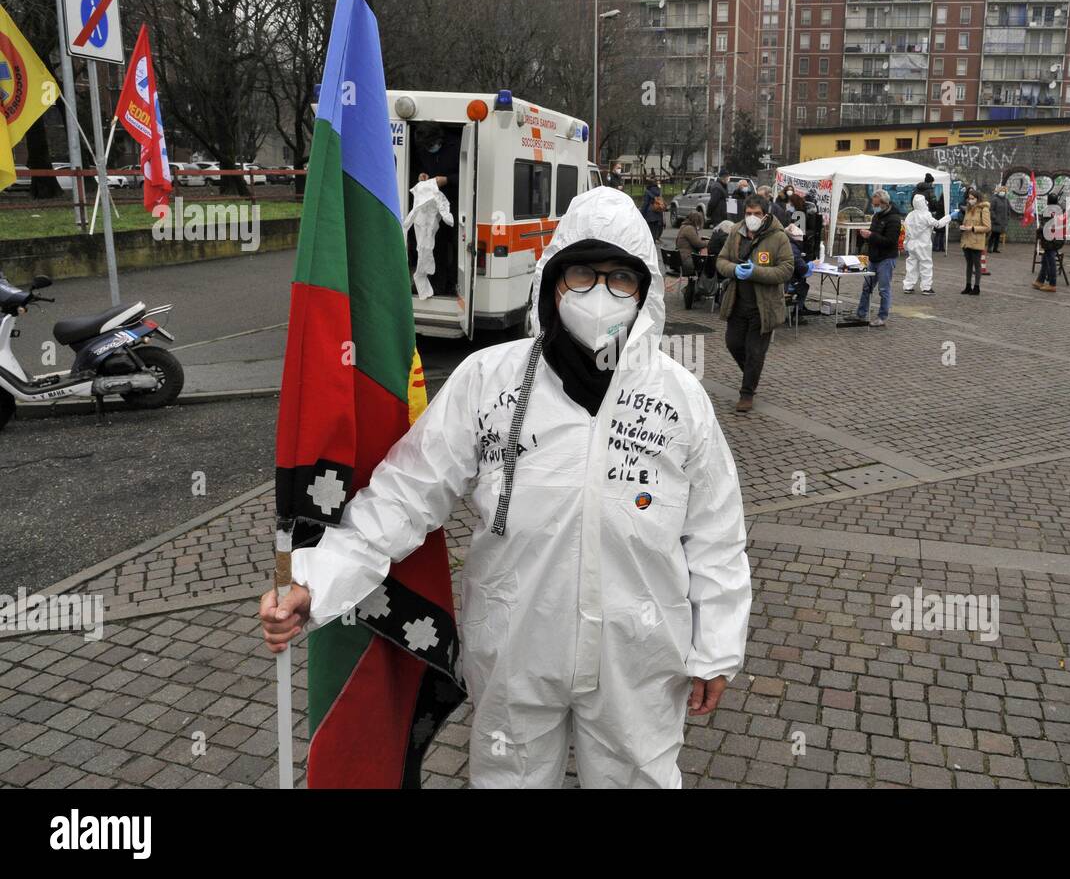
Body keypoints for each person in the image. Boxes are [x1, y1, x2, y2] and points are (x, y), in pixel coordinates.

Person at [260, 187, 751, 788]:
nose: (600, 293)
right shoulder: (489, 381)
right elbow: (404, 494)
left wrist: (717, 647)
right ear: (551, 281)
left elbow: (716, 535)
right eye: (582, 273)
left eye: (620, 277)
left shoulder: (680, 399)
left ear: (645, 288)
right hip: (516, 652)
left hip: (641, 662)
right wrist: (316, 577)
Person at [717, 195, 795, 412]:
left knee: (755, 352)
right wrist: (734, 270)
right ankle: (752, 373)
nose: (752, 217)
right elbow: (721, 260)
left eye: (756, 214)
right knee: (733, 343)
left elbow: (787, 269)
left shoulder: (778, 237)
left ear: (765, 214)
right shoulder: (735, 232)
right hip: (737, 302)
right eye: (748, 213)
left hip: (764, 306)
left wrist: (756, 272)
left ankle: (747, 392)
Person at [413, 123, 462, 296]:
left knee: (457, 244)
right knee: (435, 244)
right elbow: (421, 167)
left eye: (430, 145)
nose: (429, 149)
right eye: (426, 147)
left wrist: (447, 180)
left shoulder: (457, 145)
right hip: (433, 203)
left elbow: (468, 174)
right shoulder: (423, 150)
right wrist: (423, 175)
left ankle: (455, 282)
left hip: (457, 202)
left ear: (439, 139)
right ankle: (438, 284)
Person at [850, 189, 902, 327]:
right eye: (874, 204)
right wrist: (866, 236)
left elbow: (890, 241)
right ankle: (861, 314)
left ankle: (882, 317)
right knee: (866, 287)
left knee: (884, 289)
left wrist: (871, 236)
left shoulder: (894, 219)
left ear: (884, 203)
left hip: (886, 258)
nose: (874, 207)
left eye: (876, 204)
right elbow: (873, 233)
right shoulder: (876, 216)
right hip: (873, 257)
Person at [902, 193, 958, 295]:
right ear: (923, 203)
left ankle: (908, 286)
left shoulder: (910, 215)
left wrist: (905, 244)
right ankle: (926, 288)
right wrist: (949, 216)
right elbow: (938, 224)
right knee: (926, 265)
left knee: (911, 265)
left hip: (912, 244)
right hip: (923, 244)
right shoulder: (926, 215)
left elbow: (906, 232)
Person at [1032, 191, 1066, 293]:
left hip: (1051, 240)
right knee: (1045, 260)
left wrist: (1039, 229)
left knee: (1050, 261)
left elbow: (1047, 226)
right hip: (1056, 239)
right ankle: (1040, 280)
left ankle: (1052, 284)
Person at [959, 188, 991, 295]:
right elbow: (966, 221)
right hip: (966, 240)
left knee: (977, 265)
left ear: (977, 199)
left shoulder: (984, 209)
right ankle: (968, 285)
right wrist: (963, 227)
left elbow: (987, 227)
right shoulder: (968, 208)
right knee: (968, 264)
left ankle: (976, 287)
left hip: (977, 240)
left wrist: (973, 228)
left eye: (972, 198)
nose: (970, 200)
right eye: (969, 198)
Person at [676, 210, 707, 278]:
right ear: (697, 221)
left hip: (679, 260)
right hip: (686, 261)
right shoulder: (689, 229)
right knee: (707, 266)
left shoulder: (684, 226)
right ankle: (698, 286)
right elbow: (698, 244)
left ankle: (692, 286)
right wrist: (708, 242)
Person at [640, 176, 665, 250]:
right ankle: (653, 243)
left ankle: (649, 245)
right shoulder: (658, 191)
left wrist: (642, 214)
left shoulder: (648, 192)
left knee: (649, 229)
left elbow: (646, 204)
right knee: (655, 230)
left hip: (649, 213)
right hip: (657, 212)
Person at [989, 185, 1010, 254]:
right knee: (993, 235)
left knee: (998, 235)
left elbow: (1008, 210)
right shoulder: (994, 199)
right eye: (1001, 190)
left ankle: (995, 248)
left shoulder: (1006, 200)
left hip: (1003, 221)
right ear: (998, 191)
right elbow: (991, 210)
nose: (1002, 192)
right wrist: (994, 217)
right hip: (996, 221)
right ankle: (989, 247)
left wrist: (1007, 217)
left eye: (1004, 191)